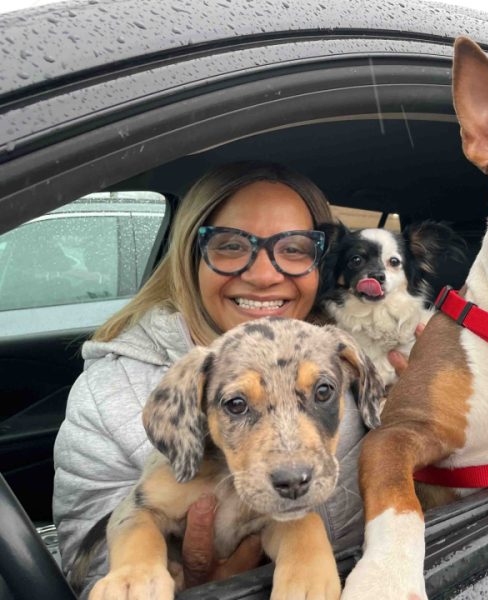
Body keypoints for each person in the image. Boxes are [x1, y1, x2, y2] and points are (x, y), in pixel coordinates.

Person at [53, 161, 410, 595]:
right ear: (191, 254)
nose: (263, 275)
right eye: (230, 245)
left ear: (323, 263)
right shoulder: (108, 393)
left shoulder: (352, 354)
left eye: (295, 248)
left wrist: (414, 404)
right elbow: (84, 569)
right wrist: (195, 585)